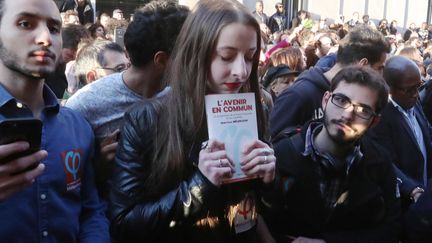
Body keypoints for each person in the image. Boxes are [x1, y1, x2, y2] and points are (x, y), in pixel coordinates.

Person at [109, 0, 276, 242]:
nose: (241, 71)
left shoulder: (256, 110)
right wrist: (199, 186)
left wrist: (269, 180)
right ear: (196, 51)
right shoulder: (146, 119)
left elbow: (263, 211)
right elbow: (123, 224)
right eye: (227, 56)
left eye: (250, 57)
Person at [0, 0, 109, 241]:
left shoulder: (78, 127)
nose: (45, 38)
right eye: (25, 23)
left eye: (54, 28)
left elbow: (90, 210)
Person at [66, 0, 190, 199]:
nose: (194, 61)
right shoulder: (84, 106)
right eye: (188, 53)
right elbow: (64, 184)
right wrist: (97, 167)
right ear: (161, 60)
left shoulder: (183, 95)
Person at [262, 66, 401, 242]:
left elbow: (391, 228)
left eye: (363, 110)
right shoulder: (281, 154)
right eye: (341, 100)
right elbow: (258, 217)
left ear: (374, 121)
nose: (347, 114)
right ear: (325, 100)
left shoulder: (380, 163)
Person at [270, 25, 389, 137]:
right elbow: (274, 146)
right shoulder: (297, 95)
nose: (382, 75)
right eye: (379, 68)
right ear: (363, 65)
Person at [368, 56, 432, 210]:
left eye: (419, 86)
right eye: (409, 89)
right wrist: (412, 189)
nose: (416, 94)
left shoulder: (412, 100)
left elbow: (425, 134)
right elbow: (386, 162)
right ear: (388, 87)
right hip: (403, 203)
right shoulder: (380, 118)